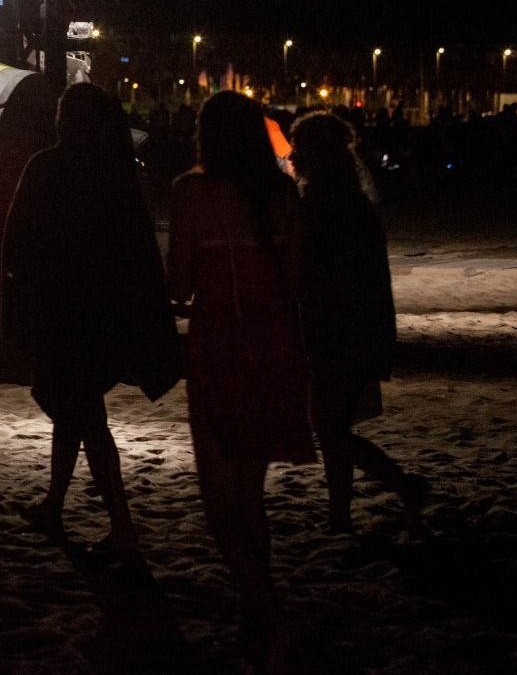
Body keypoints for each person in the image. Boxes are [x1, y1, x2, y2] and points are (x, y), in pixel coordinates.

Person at [2, 83, 180, 555]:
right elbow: (137, 250)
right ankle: (56, 503)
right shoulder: (114, 173)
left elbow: (19, 237)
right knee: (77, 411)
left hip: (65, 312)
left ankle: (121, 526)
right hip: (102, 314)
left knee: (84, 416)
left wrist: (19, 296)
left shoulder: (48, 167)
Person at [167, 90, 313, 665]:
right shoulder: (280, 193)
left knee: (220, 505)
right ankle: (257, 611)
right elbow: (298, 281)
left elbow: (179, 285)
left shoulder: (192, 192)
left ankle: (271, 615)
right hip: (276, 346)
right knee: (250, 495)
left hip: (221, 346)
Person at [288, 111, 427, 533]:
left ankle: (402, 485)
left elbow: (322, 272)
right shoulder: (349, 199)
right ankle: (340, 514)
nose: (292, 156)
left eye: (299, 147)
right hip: (356, 327)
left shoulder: (325, 203)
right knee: (334, 425)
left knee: (330, 429)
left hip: (339, 330)